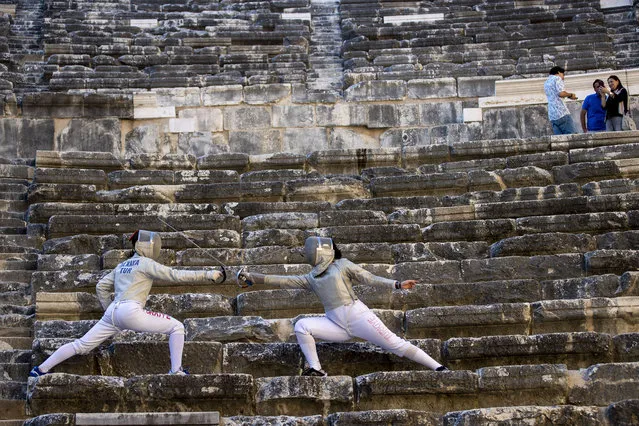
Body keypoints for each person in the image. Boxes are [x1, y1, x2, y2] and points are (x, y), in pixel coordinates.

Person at [237, 236, 448, 376]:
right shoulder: (311, 278)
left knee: (396, 345)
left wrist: (397, 284)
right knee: (302, 326)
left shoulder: (342, 265)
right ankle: (316, 369)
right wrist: (253, 278)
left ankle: (439, 368)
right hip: (335, 323)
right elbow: (283, 281)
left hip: (358, 316)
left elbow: (369, 278)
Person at [29, 230, 226, 377]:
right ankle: (176, 371)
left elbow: (101, 287)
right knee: (177, 327)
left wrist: (111, 311)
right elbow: (176, 275)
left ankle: (41, 369)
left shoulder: (122, 265)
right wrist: (209, 274)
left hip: (113, 313)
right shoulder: (145, 264)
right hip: (130, 311)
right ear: (147, 245)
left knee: (81, 345)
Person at [544, 66, 578, 135]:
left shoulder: (546, 82)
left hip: (552, 115)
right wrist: (571, 95)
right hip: (561, 113)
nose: (563, 77)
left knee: (560, 140)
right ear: (559, 72)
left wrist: (568, 96)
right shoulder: (557, 79)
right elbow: (561, 93)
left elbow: (555, 95)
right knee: (572, 137)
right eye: (563, 74)